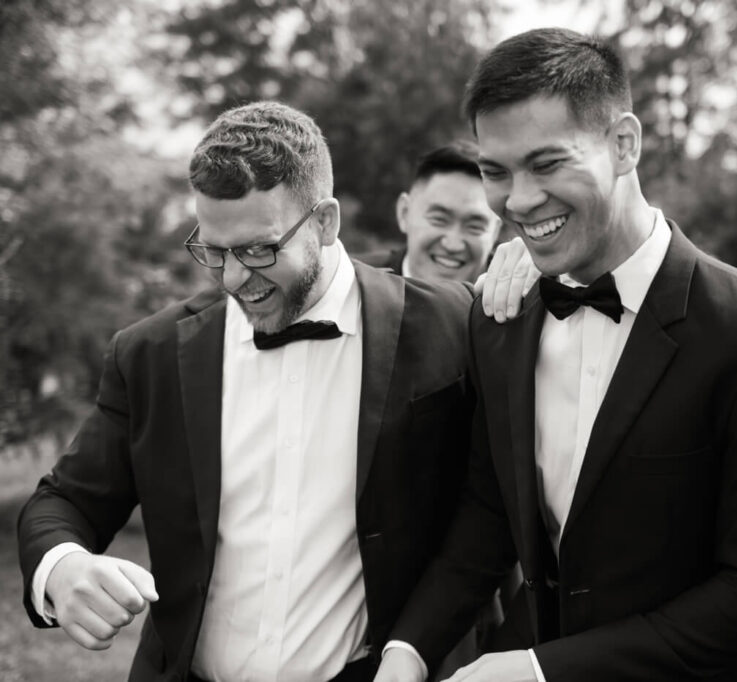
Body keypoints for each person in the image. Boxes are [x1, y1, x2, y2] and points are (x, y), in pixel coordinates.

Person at [377, 28, 737, 682]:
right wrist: (408, 650)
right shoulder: (502, 319)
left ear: (624, 143)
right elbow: (491, 512)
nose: (520, 201)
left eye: (548, 163)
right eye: (496, 172)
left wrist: (542, 671)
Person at [17, 101, 476, 682]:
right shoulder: (151, 354)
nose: (235, 278)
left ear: (325, 221)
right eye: (213, 251)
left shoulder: (449, 327)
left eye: (259, 249)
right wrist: (62, 567)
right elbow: (63, 502)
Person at [358, 141, 502, 282]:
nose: (453, 245)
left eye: (474, 227)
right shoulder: (352, 283)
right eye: (439, 220)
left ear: (495, 231)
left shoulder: (517, 296)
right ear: (404, 213)